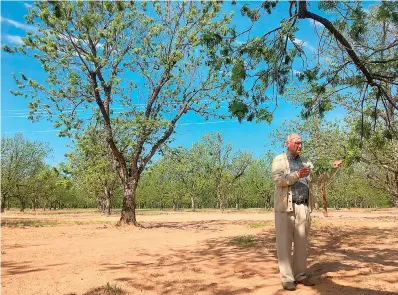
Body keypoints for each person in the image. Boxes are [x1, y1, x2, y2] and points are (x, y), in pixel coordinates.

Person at [271, 133, 342, 291]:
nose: (300, 146)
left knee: (302, 244)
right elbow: (278, 180)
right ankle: (287, 279)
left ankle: (301, 275)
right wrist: (297, 175)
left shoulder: (306, 161)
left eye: (301, 143)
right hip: (285, 208)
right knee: (284, 244)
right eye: (296, 143)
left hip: (303, 206)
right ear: (287, 144)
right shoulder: (279, 160)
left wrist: (332, 169)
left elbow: (317, 178)